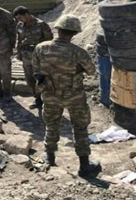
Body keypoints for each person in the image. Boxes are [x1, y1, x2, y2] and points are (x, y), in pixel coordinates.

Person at [32, 14, 101, 177]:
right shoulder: (78, 52)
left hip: (50, 95)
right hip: (74, 96)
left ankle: (49, 158)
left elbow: (35, 70)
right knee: (80, 128)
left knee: (51, 125)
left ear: (58, 29)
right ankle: (84, 166)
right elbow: (91, 72)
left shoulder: (41, 48)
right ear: (74, 33)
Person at [13, 6, 53, 109]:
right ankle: (37, 99)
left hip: (39, 58)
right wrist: (19, 53)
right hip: (26, 57)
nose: (19, 20)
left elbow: (49, 41)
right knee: (29, 79)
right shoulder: (20, 25)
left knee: (41, 79)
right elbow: (19, 39)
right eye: (17, 19)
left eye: (20, 17)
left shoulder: (41, 24)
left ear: (27, 14)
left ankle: (47, 101)